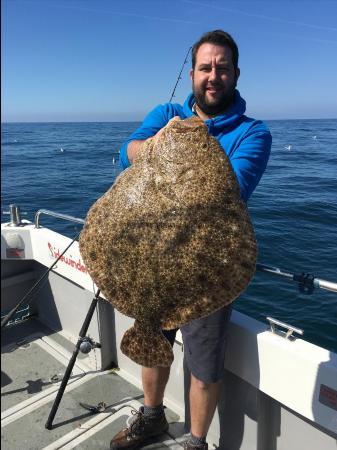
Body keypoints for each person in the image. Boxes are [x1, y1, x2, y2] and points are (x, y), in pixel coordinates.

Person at [110, 30, 272, 450]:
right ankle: (151, 417)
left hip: (208, 267)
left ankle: (196, 442)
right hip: (152, 255)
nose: (213, 75)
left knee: (203, 364)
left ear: (236, 73)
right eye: (205, 67)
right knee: (149, 340)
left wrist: (184, 147)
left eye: (222, 67)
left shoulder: (254, 133)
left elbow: (228, 190)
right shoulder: (166, 112)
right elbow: (129, 150)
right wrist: (155, 145)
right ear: (194, 74)